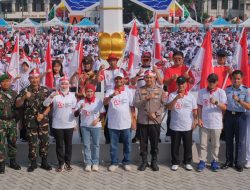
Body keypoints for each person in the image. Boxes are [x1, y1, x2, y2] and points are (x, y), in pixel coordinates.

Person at [16, 68, 52, 172]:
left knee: (44, 141)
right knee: (32, 142)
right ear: (29, 79)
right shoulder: (25, 90)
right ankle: (33, 162)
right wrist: (23, 98)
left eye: (36, 78)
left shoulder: (45, 90)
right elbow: (17, 105)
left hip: (43, 121)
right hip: (30, 122)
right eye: (32, 78)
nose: (34, 80)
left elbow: (50, 105)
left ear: (39, 78)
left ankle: (44, 162)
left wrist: (43, 114)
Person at [43, 76, 77, 172]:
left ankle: (68, 163)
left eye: (66, 83)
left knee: (69, 145)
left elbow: (74, 111)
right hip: (57, 125)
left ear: (69, 85)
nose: (64, 85)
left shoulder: (72, 95)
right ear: (59, 84)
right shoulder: (55, 94)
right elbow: (45, 104)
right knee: (59, 145)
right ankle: (61, 163)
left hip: (69, 124)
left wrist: (75, 124)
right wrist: (52, 96)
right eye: (62, 83)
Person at [134, 70, 166, 171]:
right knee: (143, 144)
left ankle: (154, 161)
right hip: (143, 121)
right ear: (144, 79)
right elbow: (136, 104)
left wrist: (156, 114)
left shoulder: (160, 90)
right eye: (146, 77)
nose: (148, 79)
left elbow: (164, 105)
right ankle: (144, 162)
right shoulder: (139, 90)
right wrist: (145, 99)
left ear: (155, 78)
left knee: (154, 143)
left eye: (151, 77)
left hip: (155, 122)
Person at [103, 72, 135, 172]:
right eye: (116, 79)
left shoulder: (128, 91)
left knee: (127, 145)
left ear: (123, 80)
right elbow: (104, 103)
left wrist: (134, 121)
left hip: (126, 123)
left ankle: (126, 162)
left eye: (120, 79)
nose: (118, 81)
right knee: (113, 145)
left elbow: (132, 107)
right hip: (113, 123)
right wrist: (112, 95)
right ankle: (114, 163)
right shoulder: (109, 90)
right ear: (114, 80)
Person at [166, 76, 198, 171]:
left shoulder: (191, 96)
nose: (181, 86)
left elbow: (195, 110)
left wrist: (195, 120)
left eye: (183, 84)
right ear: (177, 85)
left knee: (187, 145)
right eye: (179, 84)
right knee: (175, 145)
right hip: (175, 125)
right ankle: (175, 162)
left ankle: (187, 162)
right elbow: (168, 107)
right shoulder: (172, 95)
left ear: (186, 84)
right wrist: (176, 98)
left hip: (187, 125)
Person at [197, 74, 227, 172]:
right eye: (210, 81)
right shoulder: (201, 92)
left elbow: (225, 108)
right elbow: (200, 107)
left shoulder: (221, 92)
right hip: (205, 123)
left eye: (214, 81)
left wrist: (217, 103)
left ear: (217, 82)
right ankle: (202, 161)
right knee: (203, 144)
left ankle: (214, 160)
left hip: (216, 123)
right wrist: (199, 119)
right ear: (207, 81)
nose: (211, 83)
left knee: (215, 144)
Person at [131, 52, 163, 143]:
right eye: (144, 57)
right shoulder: (136, 68)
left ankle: (157, 135)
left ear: (150, 59)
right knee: (140, 115)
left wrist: (156, 70)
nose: (146, 59)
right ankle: (138, 135)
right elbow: (132, 83)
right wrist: (138, 74)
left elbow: (160, 82)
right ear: (141, 58)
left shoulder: (155, 68)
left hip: (153, 93)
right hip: (141, 93)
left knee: (155, 114)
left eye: (148, 58)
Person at [221, 70, 250, 172]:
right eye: (234, 78)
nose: (236, 80)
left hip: (240, 117)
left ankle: (238, 162)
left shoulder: (246, 90)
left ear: (241, 79)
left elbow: (248, 106)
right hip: (229, 116)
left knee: (239, 141)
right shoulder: (227, 89)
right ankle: (229, 161)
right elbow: (224, 104)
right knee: (228, 139)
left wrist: (239, 100)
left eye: (238, 79)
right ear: (231, 79)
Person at [163, 51, 195, 142]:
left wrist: (188, 77)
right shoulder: (169, 70)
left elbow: (192, 81)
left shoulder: (186, 69)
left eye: (179, 59)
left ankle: (189, 134)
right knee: (171, 115)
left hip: (186, 96)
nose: (177, 60)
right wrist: (171, 79)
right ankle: (169, 134)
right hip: (173, 95)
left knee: (188, 115)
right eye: (175, 59)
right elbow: (165, 83)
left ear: (183, 59)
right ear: (173, 59)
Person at [97, 53, 127, 144]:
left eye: (113, 60)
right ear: (108, 61)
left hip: (120, 94)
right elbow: (98, 80)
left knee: (120, 115)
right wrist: (99, 70)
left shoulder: (121, 70)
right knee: (107, 117)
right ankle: (108, 138)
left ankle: (121, 138)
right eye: (110, 60)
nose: (112, 62)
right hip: (109, 95)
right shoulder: (105, 71)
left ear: (117, 61)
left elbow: (127, 80)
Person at [74, 84, 105, 172]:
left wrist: (98, 119)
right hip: (85, 127)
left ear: (94, 92)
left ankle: (95, 163)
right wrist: (80, 108)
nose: (89, 93)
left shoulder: (98, 101)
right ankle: (88, 163)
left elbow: (103, 113)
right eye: (88, 91)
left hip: (96, 127)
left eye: (91, 91)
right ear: (85, 92)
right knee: (86, 145)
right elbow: (75, 114)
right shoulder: (81, 102)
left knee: (96, 145)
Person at [0, 74, 21, 174]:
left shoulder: (14, 93)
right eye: (3, 82)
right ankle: (1, 164)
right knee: (1, 144)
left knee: (12, 142)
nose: (6, 83)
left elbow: (18, 107)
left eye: (8, 81)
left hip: (12, 121)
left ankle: (13, 162)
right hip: (1, 121)